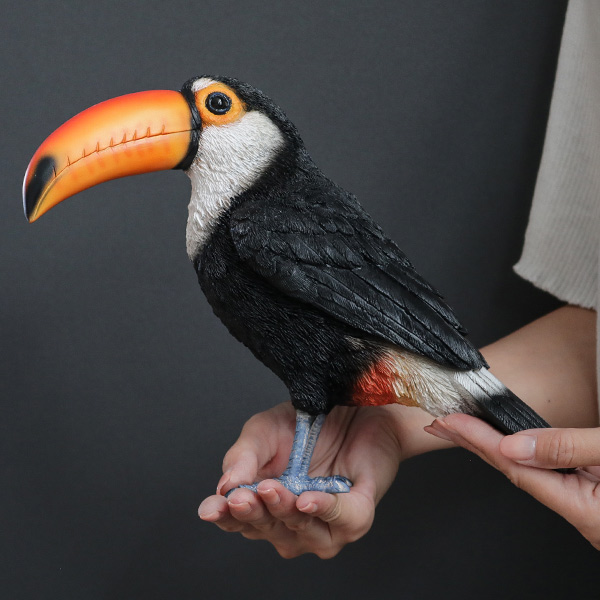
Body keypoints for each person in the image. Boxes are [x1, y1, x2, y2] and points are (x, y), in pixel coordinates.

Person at [198, 0, 600, 556]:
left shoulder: (260, 221)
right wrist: (382, 428)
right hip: (376, 363)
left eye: (217, 107)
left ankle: (300, 469)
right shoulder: (248, 217)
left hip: (387, 350)